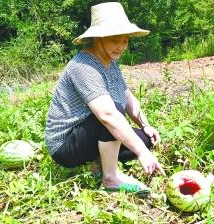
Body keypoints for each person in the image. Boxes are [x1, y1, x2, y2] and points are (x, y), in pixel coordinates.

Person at [45, 2, 165, 193]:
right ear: (98, 38)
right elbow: (107, 115)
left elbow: (127, 96)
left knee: (145, 139)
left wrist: (145, 125)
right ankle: (110, 178)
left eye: (125, 40)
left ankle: (97, 162)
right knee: (114, 113)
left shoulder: (110, 62)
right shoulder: (83, 66)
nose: (121, 47)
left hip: (90, 133)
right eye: (115, 40)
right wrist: (141, 154)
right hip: (66, 145)